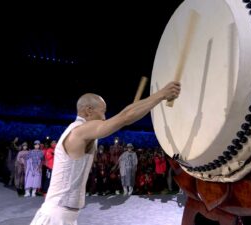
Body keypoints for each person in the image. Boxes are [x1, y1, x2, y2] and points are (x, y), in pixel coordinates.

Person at [30, 81, 180, 225]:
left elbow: (126, 116)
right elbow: (125, 117)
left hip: (62, 214)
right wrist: (161, 94)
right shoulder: (79, 130)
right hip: (56, 217)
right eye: (103, 112)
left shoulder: (81, 132)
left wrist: (134, 111)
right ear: (89, 110)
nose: (104, 118)